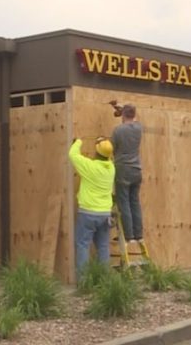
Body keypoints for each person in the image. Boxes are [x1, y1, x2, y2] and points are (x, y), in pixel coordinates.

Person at [68, 136, 116, 275]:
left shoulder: (89, 167)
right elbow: (106, 155)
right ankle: (104, 279)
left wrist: (78, 141)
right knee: (103, 246)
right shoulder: (111, 168)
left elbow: (73, 154)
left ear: (96, 152)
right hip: (105, 214)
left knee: (83, 245)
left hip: (88, 213)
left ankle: (84, 281)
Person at [111, 103, 144, 242]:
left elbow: (112, 148)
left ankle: (128, 236)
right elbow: (132, 118)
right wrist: (122, 110)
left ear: (123, 115)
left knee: (123, 202)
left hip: (123, 169)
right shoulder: (139, 128)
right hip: (136, 169)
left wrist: (121, 112)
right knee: (134, 202)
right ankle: (138, 235)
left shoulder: (118, 130)